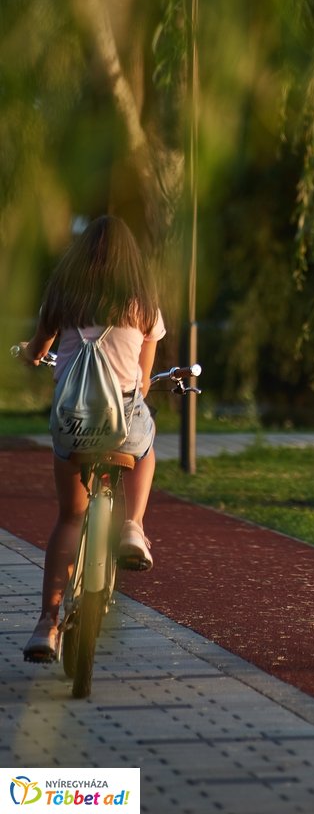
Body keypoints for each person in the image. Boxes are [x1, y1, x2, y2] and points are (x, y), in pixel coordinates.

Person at [17, 215, 166, 662]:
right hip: (120, 424)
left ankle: (47, 625)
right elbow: (141, 380)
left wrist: (30, 353)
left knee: (69, 517)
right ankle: (133, 526)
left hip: (72, 423)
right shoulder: (142, 303)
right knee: (147, 448)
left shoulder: (63, 298)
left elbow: (38, 349)